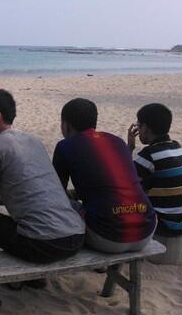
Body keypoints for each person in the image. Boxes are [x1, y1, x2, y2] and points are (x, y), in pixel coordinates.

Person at [0, 89, 85, 306]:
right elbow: (31, 188)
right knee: (25, 219)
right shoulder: (32, 141)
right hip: (75, 236)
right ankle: (35, 280)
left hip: (44, 246)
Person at [52, 98, 156, 254]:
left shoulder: (64, 146)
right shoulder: (118, 142)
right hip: (146, 231)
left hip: (106, 236)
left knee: (62, 206)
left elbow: (56, 194)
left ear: (65, 126)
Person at [128, 103, 182, 236]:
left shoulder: (149, 154)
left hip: (167, 223)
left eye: (138, 126)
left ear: (144, 128)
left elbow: (124, 179)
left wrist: (129, 148)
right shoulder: (176, 147)